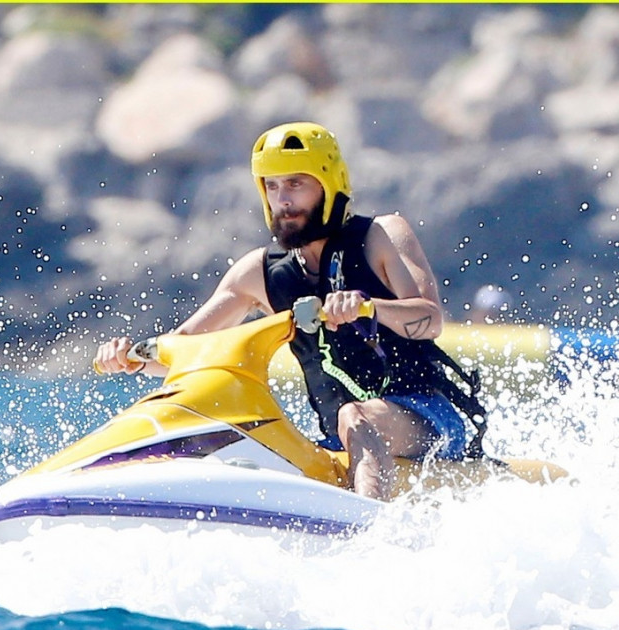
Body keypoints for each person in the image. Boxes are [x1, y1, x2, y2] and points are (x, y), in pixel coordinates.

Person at [95, 121, 487, 501]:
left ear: (328, 185)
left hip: (428, 419)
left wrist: (368, 307)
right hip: (341, 438)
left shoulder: (381, 236)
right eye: (272, 186)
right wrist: (131, 359)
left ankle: (369, 531)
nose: (283, 199)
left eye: (296, 184)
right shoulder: (260, 272)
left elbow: (430, 321)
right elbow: (184, 348)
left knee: (354, 416)